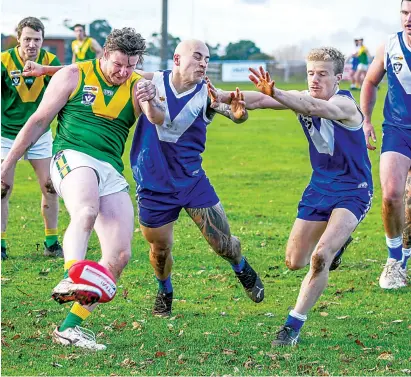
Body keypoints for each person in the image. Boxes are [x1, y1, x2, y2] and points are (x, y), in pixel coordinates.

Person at [1, 27, 165, 350]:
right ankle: (72, 273)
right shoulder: (74, 75)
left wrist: (151, 100)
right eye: (118, 64)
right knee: (86, 210)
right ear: (104, 53)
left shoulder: (136, 86)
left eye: (131, 66)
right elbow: (37, 121)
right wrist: (7, 164)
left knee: (119, 255)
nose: (123, 72)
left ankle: (69, 329)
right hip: (71, 156)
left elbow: (157, 118)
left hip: (110, 170)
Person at [242, 47, 373, 346]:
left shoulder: (344, 104)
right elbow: (260, 99)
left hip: (353, 190)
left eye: (323, 74)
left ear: (338, 78)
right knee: (294, 261)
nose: (315, 79)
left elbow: (315, 108)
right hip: (320, 187)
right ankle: (338, 247)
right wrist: (219, 97)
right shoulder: (302, 95)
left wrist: (278, 94)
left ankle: (292, 325)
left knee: (319, 258)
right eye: (311, 73)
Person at [130, 39, 264, 318]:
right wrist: (45, 69)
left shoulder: (209, 93)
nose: (204, 63)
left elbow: (236, 111)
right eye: (198, 57)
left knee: (223, 244)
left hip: (192, 182)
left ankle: (240, 265)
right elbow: (96, 70)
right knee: (160, 250)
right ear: (177, 60)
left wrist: (239, 115)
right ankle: (164, 290)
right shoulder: (150, 81)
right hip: (152, 184)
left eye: (207, 58)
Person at [1, 16, 63, 260]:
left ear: (42, 41)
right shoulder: (4, 61)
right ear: (18, 39)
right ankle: (1, 245)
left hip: (40, 135)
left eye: (37, 39)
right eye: (27, 39)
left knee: (50, 187)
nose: (32, 44)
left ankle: (52, 243)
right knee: (2, 189)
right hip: (7, 135)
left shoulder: (50, 62)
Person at [360, 0, 411, 289]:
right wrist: (366, 120)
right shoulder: (388, 46)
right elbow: (369, 82)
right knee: (392, 195)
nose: (408, 19)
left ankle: (405, 255)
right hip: (397, 130)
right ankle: (394, 261)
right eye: (404, 13)